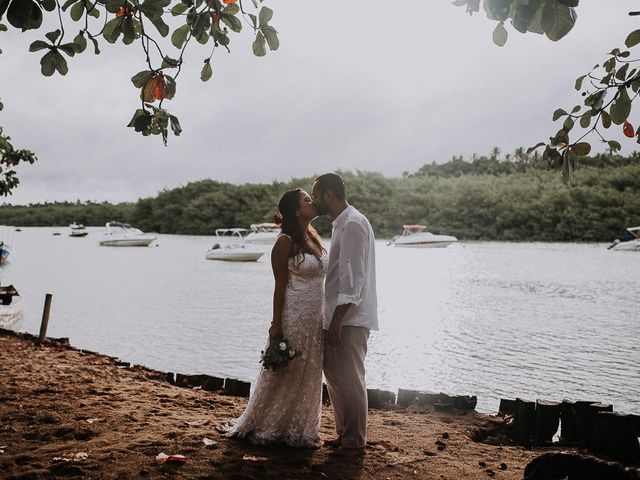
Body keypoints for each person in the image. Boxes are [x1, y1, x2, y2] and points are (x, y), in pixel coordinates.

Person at [221, 189, 327, 447]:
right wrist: (276, 325)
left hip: (315, 320)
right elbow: (280, 286)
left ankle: (299, 427)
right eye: (307, 199)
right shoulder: (284, 241)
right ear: (296, 210)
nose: (312, 202)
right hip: (294, 317)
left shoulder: (313, 237)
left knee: (309, 372)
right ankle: (268, 424)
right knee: (286, 371)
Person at [312, 173, 378, 457]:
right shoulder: (342, 223)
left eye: (315, 196)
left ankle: (354, 439)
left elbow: (353, 279)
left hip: (349, 318)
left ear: (328, 194)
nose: (314, 202)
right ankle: (345, 433)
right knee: (336, 378)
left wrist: (337, 320)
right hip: (339, 316)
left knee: (350, 378)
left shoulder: (352, 224)